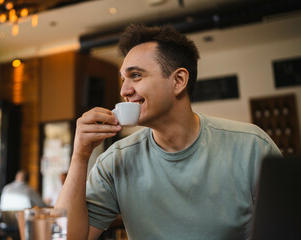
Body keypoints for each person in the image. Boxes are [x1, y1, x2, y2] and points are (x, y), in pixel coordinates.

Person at [55, 24, 282, 240]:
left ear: (179, 81)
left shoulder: (252, 146)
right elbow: (65, 238)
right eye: (123, 79)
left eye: (136, 75)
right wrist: (80, 156)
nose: (124, 90)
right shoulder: (115, 161)